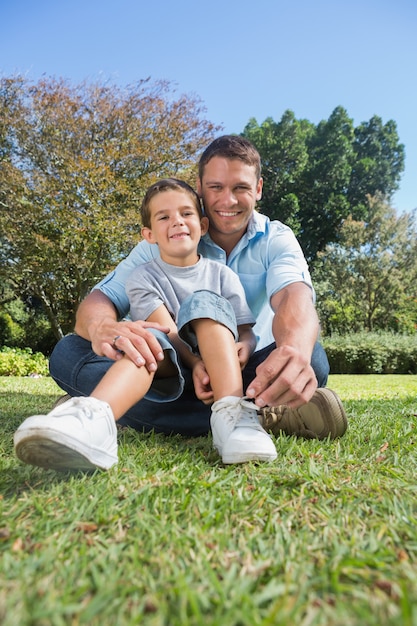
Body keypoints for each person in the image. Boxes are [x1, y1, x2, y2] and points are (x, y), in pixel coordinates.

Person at [15, 135, 347, 470]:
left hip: (244, 369)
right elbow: (101, 299)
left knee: (310, 358)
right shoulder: (162, 240)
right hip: (165, 367)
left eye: (241, 188)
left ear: (258, 188)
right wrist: (104, 327)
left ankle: (114, 409)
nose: (227, 200)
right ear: (201, 187)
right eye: (216, 187)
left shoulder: (275, 238)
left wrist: (295, 351)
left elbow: (294, 296)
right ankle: (264, 416)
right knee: (68, 352)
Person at [14, 178, 277, 469]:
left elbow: (244, 332)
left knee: (204, 303)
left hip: (225, 371)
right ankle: (95, 418)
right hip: (170, 365)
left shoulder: (222, 275)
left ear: (202, 226)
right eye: (164, 217)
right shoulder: (142, 276)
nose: (176, 221)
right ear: (149, 234)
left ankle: (233, 415)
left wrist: (244, 347)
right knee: (147, 338)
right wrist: (196, 363)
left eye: (186, 214)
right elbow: (169, 332)